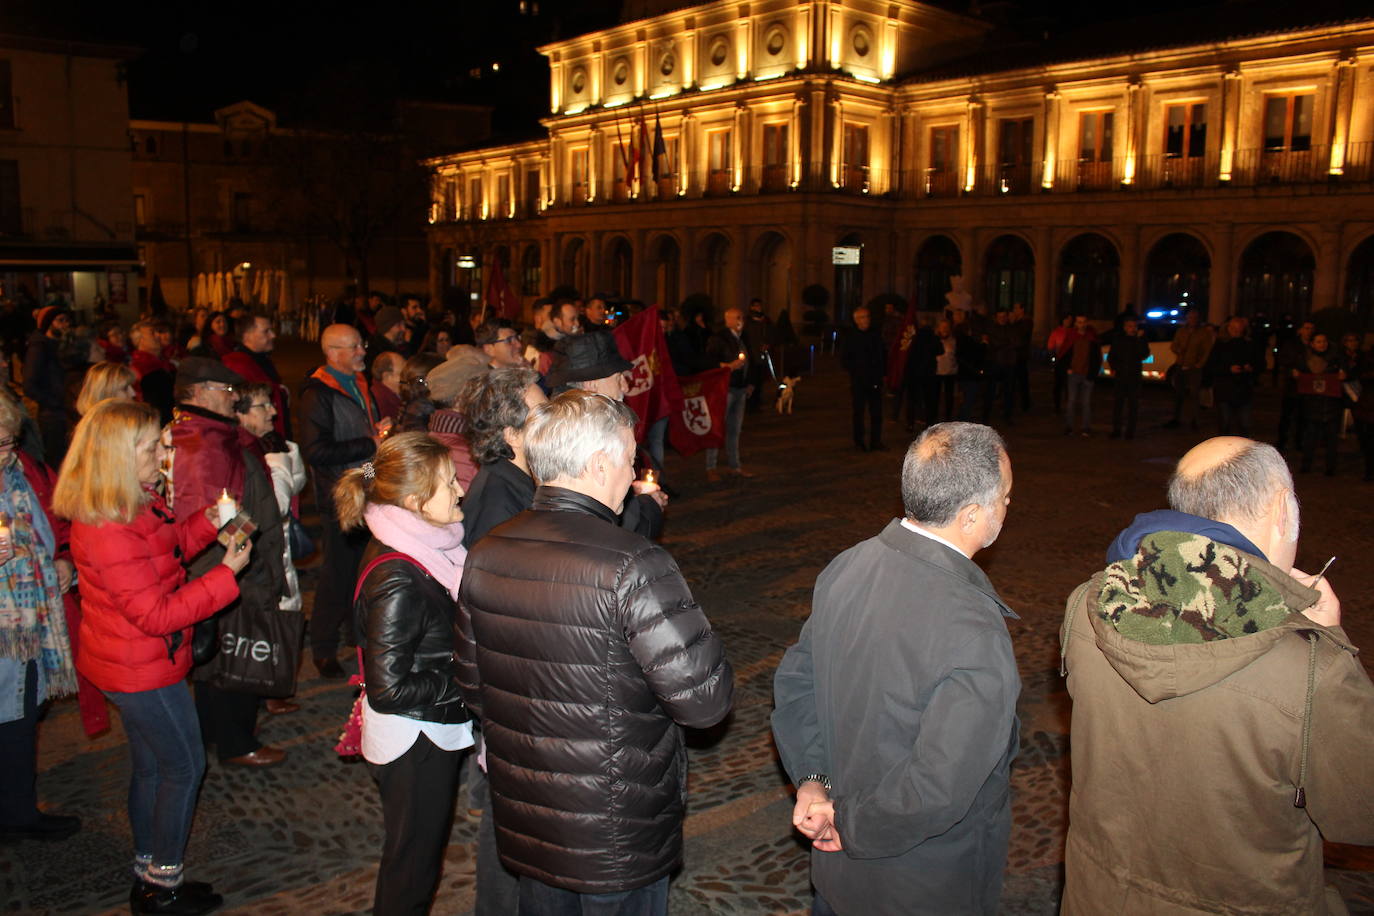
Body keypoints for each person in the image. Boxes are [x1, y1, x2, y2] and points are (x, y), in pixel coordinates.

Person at [1059, 437, 1374, 913]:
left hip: (1100, 892)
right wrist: (1337, 646)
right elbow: (1362, 814)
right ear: (1280, 510)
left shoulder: (1089, 604)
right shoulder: (1311, 666)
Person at [456, 390, 733, 916]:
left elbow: (473, 685)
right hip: (616, 823)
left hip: (532, 815)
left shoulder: (488, 553)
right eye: (630, 460)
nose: (633, 475)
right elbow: (705, 701)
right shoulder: (634, 563)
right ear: (600, 461)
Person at [772, 422, 1019, 915]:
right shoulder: (974, 628)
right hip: (922, 879)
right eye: (1006, 496)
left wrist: (814, 780)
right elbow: (940, 782)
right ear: (972, 516)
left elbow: (799, 685)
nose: (1009, 506)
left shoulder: (848, 565)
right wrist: (850, 824)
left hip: (839, 875)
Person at [54, 398, 251, 915]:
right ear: (121, 455)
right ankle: (162, 887)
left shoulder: (130, 501)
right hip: (140, 667)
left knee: (151, 768)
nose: (165, 451)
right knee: (183, 768)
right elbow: (156, 614)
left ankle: (149, 870)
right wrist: (225, 575)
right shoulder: (109, 527)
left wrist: (209, 523)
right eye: (153, 446)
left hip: (133, 659)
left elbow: (168, 549)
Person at [335, 432, 473, 916]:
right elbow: (389, 687)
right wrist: (465, 675)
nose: (460, 490)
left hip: (428, 729)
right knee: (412, 865)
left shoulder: (425, 547)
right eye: (449, 482)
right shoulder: (398, 574)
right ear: (415, 502)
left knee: (415, 854)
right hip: (416, 739)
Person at [168, 358, 289, 767]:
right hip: (232, 565)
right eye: (227, 390)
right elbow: (209, 515)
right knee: (231, 656)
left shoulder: (216, 436)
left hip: (241, 561)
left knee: (227, 655)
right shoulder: (203, 443)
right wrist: (238, 562)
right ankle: (235, 742)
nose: (233, 398)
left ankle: (222, 734)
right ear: (198, 392)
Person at [0, 389, 81, 843]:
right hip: (5, 629)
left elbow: (52, 526)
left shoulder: (18, 476)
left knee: (24, 715)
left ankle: (17, 808)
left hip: (32, 623)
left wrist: (62, 559)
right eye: (0, 444)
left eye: (9, 440)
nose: (8, 452)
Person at [299, 324, 387, 679]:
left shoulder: (358, 382)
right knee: (336, 572)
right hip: (338, 495)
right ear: (333, 352)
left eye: (361, 344)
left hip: (363, 481)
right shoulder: (317, 393)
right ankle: (322, 647)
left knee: (360, 567)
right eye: (354, 347)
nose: (362, 351)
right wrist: (369, 443)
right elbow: (317, 451)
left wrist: (376, 435)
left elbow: (364, 440)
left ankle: (355, 635)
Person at [546, 332, 668, 538]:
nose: (625, 386)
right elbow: (612, 530)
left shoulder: (559, 425)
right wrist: (650, 506)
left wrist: (625, 488)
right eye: (618, 378)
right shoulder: (586, 438)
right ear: (592, 385)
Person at [234, 383, 306, 718]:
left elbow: (299, 482)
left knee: (290, 609)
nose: (274, 412)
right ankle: (270, 684)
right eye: (264, 406)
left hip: (357, 480)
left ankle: (277, 683)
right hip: (267, 549)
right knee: (272, 615)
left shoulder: (273, 444)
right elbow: (275, 504)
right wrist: (280, 463)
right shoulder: (247, 451)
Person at [457, 366, 547, 550]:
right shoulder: (496, 507)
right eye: (543, 414)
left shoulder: (521, 478)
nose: (556, 420)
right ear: (513, 435)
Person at [704, 307, 754, 482]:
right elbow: (708, 361)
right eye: (738, 318)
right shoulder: (719, 338)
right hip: (725, 389)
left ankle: (735, 465)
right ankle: (711, 466)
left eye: (742, 318)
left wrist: (750, 383)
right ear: (729, 320)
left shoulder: (743, 337)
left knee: (735, 430)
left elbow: (751, 360)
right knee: (717, 426)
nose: (741, 321)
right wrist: (727, 366)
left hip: (740, 389)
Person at [221, 314, 290, 438]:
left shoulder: (260, 359)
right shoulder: (238, 365)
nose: (273, 335)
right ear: (247, 336)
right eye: (266, 331)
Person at [24, 306, 74, 466]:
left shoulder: (59, 345)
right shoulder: (39, 348)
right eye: (60, 320)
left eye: (67, 320)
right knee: (56, 460)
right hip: (52, 415)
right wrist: (55, 403)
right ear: (48, 324)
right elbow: (29, 385)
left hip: (63, 412)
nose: (65, 324)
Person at [1295, 331, 1346, 476]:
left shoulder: (1336, 359)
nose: (1322, 344)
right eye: (1318, 341)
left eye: (1324, 341)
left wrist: (1343, 375)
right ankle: (1306, 465)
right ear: (1312, 344)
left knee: (1331, 439)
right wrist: (1296, 374)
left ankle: (1330, 467)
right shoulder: (1305, 358)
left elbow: (1345, 374)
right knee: (1310, 438)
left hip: (1331, 404)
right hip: (1312, 405)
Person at [839, 306, 886, 451]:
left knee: (876, 413)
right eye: (863, 317)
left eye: (867, 316)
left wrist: (882, 373)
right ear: (856, 320)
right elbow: (844, 359)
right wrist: (856, 370)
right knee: (858, 412)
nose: (866, 320)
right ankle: (859, 442)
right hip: (859, 381)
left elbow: (882, 355)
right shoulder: (850, 337)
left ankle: (875, 441)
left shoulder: (875, 334)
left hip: (875, 380)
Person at [1207, 316, 1260, 435]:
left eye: (1239, 328)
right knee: (1224, 424)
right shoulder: (1221, 345)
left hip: (1243, 389)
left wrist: (1251, 367)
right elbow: (1211, 365)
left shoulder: (1249, 344)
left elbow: (1259, 363)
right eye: (1233, 328)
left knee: (1244, 425)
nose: (1236, 331)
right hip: (1225, 389)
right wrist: (1228, 369)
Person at [1165, 309, 1215, 429]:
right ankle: (1176, 418)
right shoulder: (1181, 331)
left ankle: (1195, 421)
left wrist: (1200, 364)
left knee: (1194, 395)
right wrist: (1178, 350)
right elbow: (1174, 345)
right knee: (1178, 394)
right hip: (1180, 365)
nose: (1191, 320)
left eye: (1194, 317)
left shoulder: (1203, 333)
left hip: (1194, 367)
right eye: (1189, 317)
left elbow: (1207, 350)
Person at [1107, 316, 1150, 439]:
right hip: (1121, 377)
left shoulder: (1139, 340)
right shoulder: (1118, 339)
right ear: (1125, 327)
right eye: (1130, 326)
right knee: (1118, 405)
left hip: (1134, 377)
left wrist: (1140, 339)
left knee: (1133, 406)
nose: (1132, 329)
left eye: (1134, 326)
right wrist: (1116, 368)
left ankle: (1130, 431)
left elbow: (1144, 354)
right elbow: (1112, 356)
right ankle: (1116, 429)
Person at [1060, 315, 1101, 436]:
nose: (1081, 324)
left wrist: (1092, 374)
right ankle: (1069, 427)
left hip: (1087, 374)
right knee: (1071, 401)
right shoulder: (1072, 336)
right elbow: (1064, 353)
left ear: (1087, 323)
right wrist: (1067, 368)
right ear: (1076, 323)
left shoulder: (1092, 338)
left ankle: (1086, 428)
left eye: (1083, 322)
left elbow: (1096, 358)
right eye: (1079, 322)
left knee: (1086, 403)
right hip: (1074, 374)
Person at [129, 320, 176, 424]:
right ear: (140, 340)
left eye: (157, 332)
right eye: (152, 333)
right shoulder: (141, 366)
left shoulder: (164, 361)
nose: (158, 336)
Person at [370, 351, 405, 423]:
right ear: (387, 376)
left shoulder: (395, 395)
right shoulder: (379, 401)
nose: (407, 377)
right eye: (402, 374)